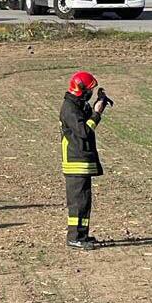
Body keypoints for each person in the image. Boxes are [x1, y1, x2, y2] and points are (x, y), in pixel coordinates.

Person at [60, 71, 108, 251]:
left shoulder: (77, 105)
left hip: (82, 161)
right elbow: (85, 132)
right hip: (75, 162)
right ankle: (74, 238)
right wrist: (97, 114)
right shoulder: (69, 109)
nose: (90, 93)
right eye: (89, 90)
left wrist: (96, 104)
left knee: (85, 202)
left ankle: (82, 234)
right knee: (78, 203)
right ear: (80, 89)